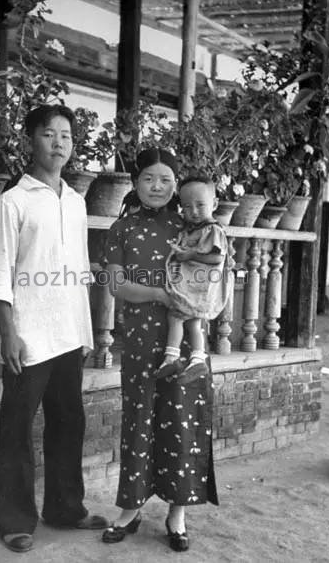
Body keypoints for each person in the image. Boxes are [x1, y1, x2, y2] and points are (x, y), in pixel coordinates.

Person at [0, 104, 107, 553]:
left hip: (68, 333)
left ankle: (65, 508)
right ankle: (15, 520)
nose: (59, 143)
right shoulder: (13, 202)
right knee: (17, 428)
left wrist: (85, 331)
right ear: (30, 140)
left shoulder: (75, 202)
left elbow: (77, 273)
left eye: (67, 136)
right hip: (29, 335)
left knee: (68, 422)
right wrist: (9, 332)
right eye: (49, 134)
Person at [100, 148, 219, 553]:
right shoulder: (122, 229)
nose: (158, 187)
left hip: (186, 339)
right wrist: (163, 294)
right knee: (139, 418)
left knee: (183, 420)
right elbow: (117, 287)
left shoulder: (191, 227)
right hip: (140, 340)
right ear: (135, 183)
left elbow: (214, 269)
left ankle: (177, 514)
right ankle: (129, 509)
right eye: (149, 178)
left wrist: (192, 301)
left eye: (166, 179)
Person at [155, 175, 229, 384]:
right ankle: (197, 358)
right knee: (193, 323)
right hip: (194, 286)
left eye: (200, 205)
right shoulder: (192, 229)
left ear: (214, 204)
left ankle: (172, 357)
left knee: (176, 317)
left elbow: (217, 257)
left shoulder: (213, 229)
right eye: (187, 207)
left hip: (200, 285)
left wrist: (190, 255)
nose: (193, 212)